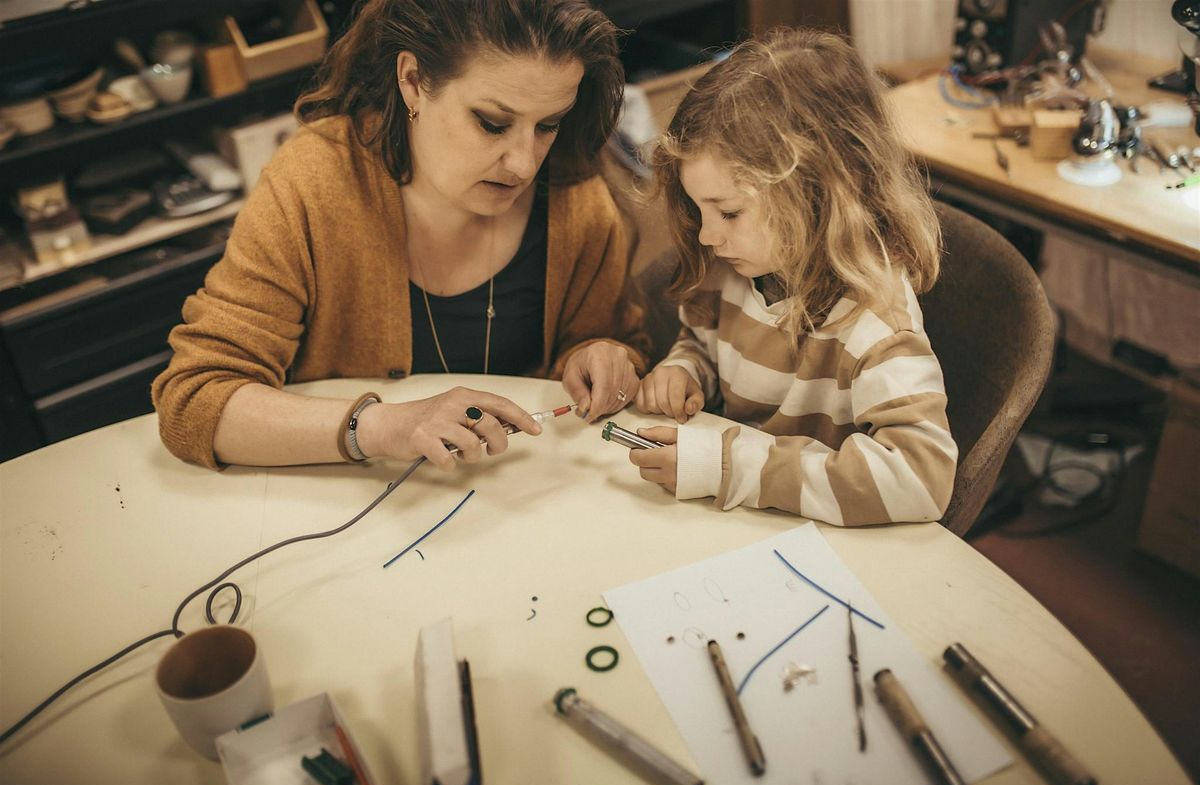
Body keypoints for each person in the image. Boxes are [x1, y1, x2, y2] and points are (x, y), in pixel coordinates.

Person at [152, 0, 648, 471]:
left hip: (507, 504)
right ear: (412, 81)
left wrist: (602, 357)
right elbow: (196, 399)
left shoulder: (575, 199)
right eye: (492, 123)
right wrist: (380, 427)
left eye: (548, 125)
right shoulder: (314, 184)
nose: (524, 163)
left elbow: (614, 343)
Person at [629, 29, 958, 525]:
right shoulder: (734, 269)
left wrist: (727, 467)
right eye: (701, 212)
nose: (706, 237)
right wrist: (686, 370)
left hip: (812, 538)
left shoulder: (876, 321)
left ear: (818, 196)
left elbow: (920, 481)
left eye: (730, 213)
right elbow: (702, 341)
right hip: (734, 515)